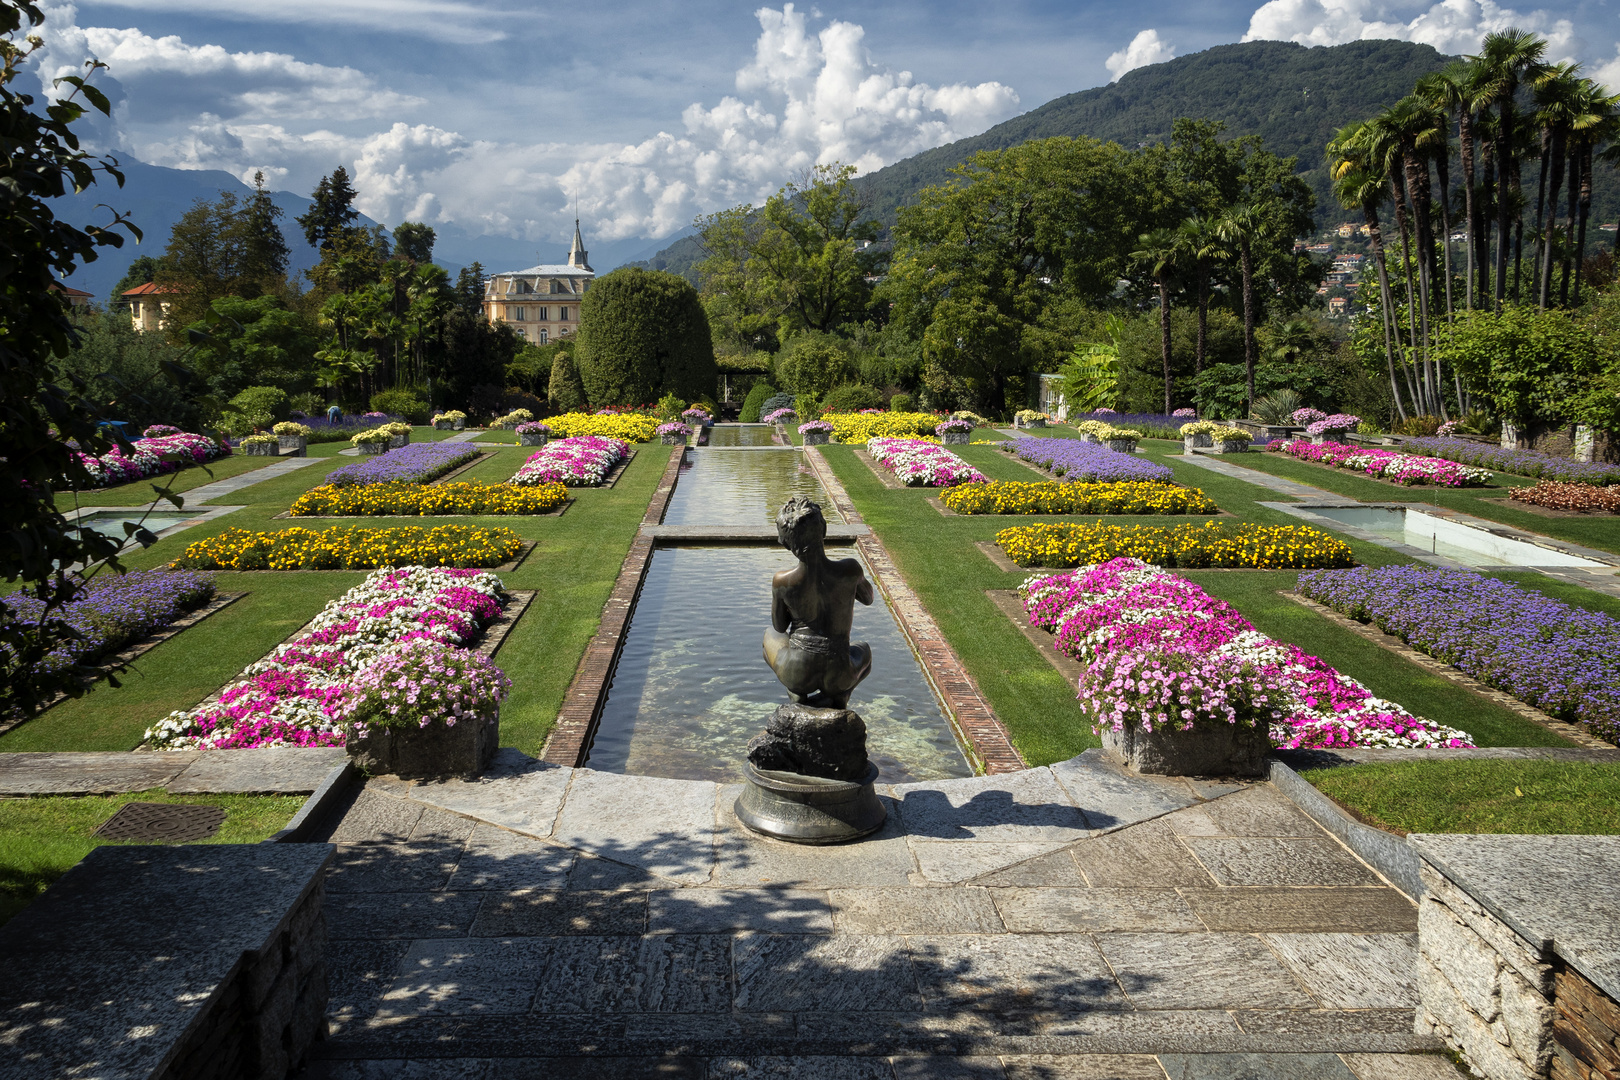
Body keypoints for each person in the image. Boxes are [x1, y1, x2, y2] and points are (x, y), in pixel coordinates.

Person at [763, 495, 872, 709]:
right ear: (823, 531)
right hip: (840, 673)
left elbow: (779, 627)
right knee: (864, 650)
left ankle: (796, 694)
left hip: (798, 673)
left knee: (770, 635)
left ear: (786, 542)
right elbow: (868, 598)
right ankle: (841, 696)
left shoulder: (783, 581)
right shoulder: (850, 569)